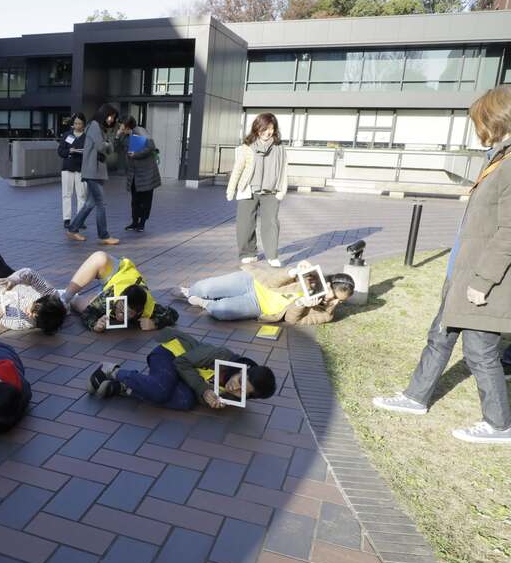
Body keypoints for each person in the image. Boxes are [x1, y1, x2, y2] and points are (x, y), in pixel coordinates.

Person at [373, 85, 511, 444]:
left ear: (496, 119)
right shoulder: (497, 159)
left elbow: (508, 234)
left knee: (480, 351)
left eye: (480, 121)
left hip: (482, 280)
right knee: (439, 335)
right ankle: (415, 397)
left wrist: (482, 281)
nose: (477, 128)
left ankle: (499, 425)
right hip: (462, 272)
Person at [88, 330, 277, 410]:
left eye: (243, 391)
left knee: (186, 402)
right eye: (240, 381)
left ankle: (124, 388)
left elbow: (199, 393)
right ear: (243, 370)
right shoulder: (222, 355)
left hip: (184, 377)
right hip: (170, 355)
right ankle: (114, 371)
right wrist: (205, 391)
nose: (235, 388)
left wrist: (209, 400)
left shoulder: (235, 397)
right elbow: (182, 363)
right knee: (161, 391)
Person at [181, 262, 354, 324]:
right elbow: (272, 283)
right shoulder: (311, 276)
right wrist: (292, 273)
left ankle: (205, 303)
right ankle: (190, 292)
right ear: (328, 283)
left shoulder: (325, 314)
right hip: (254, 281)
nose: (333, 301)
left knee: (221, 311)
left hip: (259, 305)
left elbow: (292, 320)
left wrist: (301, 304)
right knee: (204, 288)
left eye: (340, 301)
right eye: (333, 295)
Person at [60, 251, 178, 332]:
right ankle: (65, 297)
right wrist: (94, 325)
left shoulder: (149, 308)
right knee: (99, 257)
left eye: (128, 313)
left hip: (118, 289)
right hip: (114, 274)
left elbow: (172, 314)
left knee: (82, 304)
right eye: (120, 309)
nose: (120, 315)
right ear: (119, 300)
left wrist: (154, 323)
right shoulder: (113, 296)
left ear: (138, 312)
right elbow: (89, 313)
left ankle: (75, 298)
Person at [228, 112, 289, 267]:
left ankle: (272, 256)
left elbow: (284, 170)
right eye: (265, 128)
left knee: (271, 223)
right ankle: (248, 253)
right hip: (248, 189)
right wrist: (231, 188)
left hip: (271, 191)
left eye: (271, 128)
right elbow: (238, 168)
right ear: (257, 128)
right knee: (245, 224)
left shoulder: (279, 148)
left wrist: (282, 190)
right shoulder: (247, 147)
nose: (268, 132)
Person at [66, 103, 120, 245]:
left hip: (96, 171)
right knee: (101, 203)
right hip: (93, 171)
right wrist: (108, 141)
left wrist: (109, 140)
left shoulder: (100, 127)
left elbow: (109, 149)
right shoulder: (95, 126)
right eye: (111, 116)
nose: (111, 120)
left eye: (113, 118)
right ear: (104, 113)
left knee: (90, 204)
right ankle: (104, 235)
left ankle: (73, 229)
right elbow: (102, 147)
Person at [119, 117, 161, 233]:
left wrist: (136, 154)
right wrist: (118, 136)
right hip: (134, 173)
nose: (120, 128)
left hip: (146, 172)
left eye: (121, 125)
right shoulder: (125, 136)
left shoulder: (141, 132)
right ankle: (134, 222)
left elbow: (151, 147)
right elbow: (118, 147)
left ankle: (142, 223)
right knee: (135, 199)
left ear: (127, 126)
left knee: (145, 199)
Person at [58, 113, 87, 229]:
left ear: (84, 124)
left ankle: (80, 219)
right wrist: (69, 151)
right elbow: (60, 151)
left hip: (81, 168)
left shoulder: (86, 137)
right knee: (67, 194)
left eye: (80, 124)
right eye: (75, 123)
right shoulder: (67, 135)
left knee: (81, 195)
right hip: (67, 168)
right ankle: (67, 219)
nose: (77, 126)